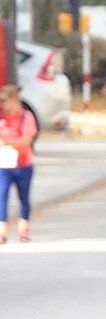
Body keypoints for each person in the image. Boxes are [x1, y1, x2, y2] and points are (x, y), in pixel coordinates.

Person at [0, 85, 38, 244]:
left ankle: (24, 229)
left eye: (5, 101)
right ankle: (2, 232)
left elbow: (27, 140)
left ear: (14, 100)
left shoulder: (26, 117)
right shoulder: (1, 117)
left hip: (23, 164)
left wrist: (9, 141)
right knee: (2, 197)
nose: (3, 105)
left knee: (24, 198)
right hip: (4, 165)